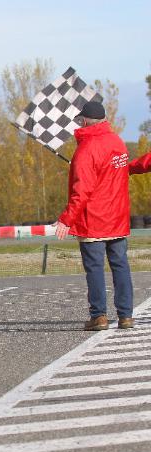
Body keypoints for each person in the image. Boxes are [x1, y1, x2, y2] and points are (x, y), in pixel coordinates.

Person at [53, 101, 133, 330]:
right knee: (121, 266)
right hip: (117, 219)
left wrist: (66, 219)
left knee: (95, 269)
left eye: (80, 120)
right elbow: (119, 171)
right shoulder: (118, 142)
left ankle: (99, 316)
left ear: (85, 121)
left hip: (93, 222)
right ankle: (126, 316)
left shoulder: (85, 150)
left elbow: (82, 191)